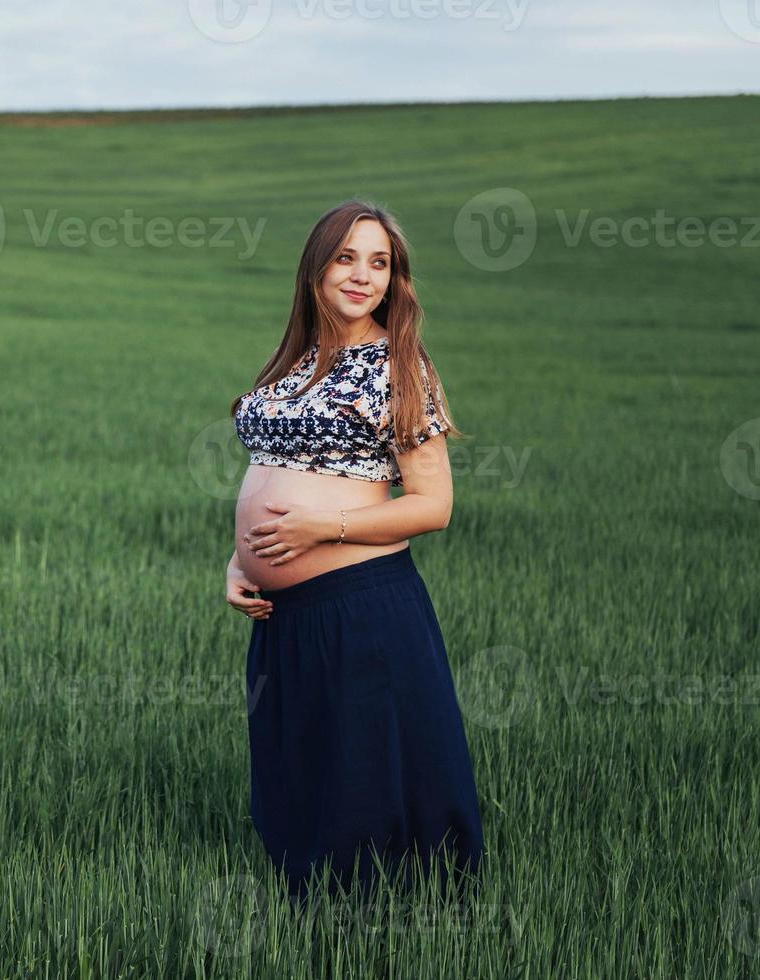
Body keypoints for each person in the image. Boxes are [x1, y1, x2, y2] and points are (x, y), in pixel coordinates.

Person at [224, 199, 485, 905]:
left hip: (361, 605)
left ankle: (395, 930)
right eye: (347, 257)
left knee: (363, 788)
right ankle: (310, 919)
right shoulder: (293, 363)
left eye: (380, 262)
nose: (363, 275)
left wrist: (321, 528)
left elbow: (433, 506)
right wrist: (239, 562)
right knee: (302, 777)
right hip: (284, 615)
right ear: (316, 268)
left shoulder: (400, 364)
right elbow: (270, 477)